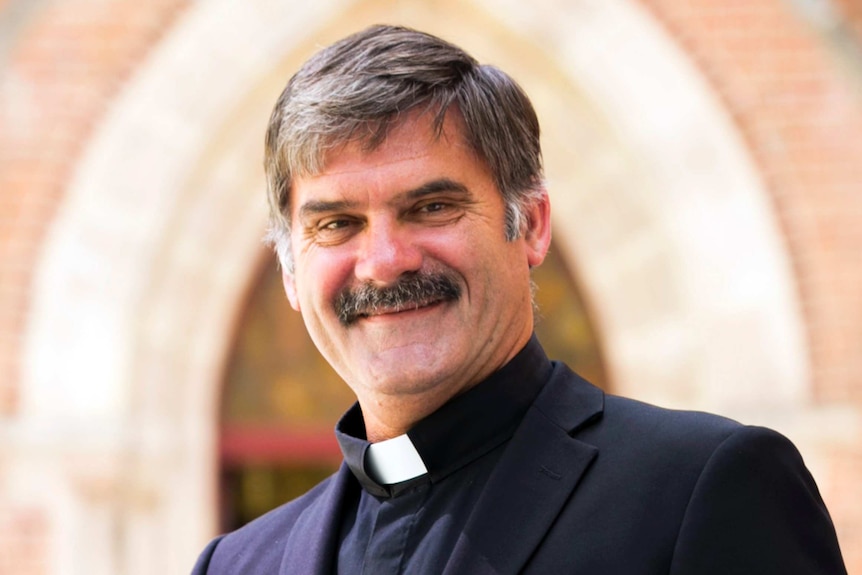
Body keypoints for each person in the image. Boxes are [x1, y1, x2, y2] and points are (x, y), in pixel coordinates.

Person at [192, 24, 846, 574]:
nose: (385, 261)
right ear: (290, 272)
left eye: (432, 207)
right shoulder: (236, 563)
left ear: (530, 224)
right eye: (336, 224)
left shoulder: (701, 490)